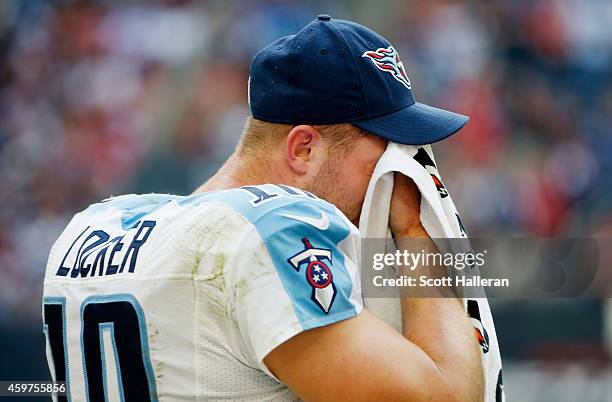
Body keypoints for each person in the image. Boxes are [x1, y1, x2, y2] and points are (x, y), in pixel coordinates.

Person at [43, 15, 491, 401]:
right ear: (303, 150)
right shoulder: (273, 226)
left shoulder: (94, 225)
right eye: (385, 157)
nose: (394, 178)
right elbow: (446, 395)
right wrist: (416, 232)